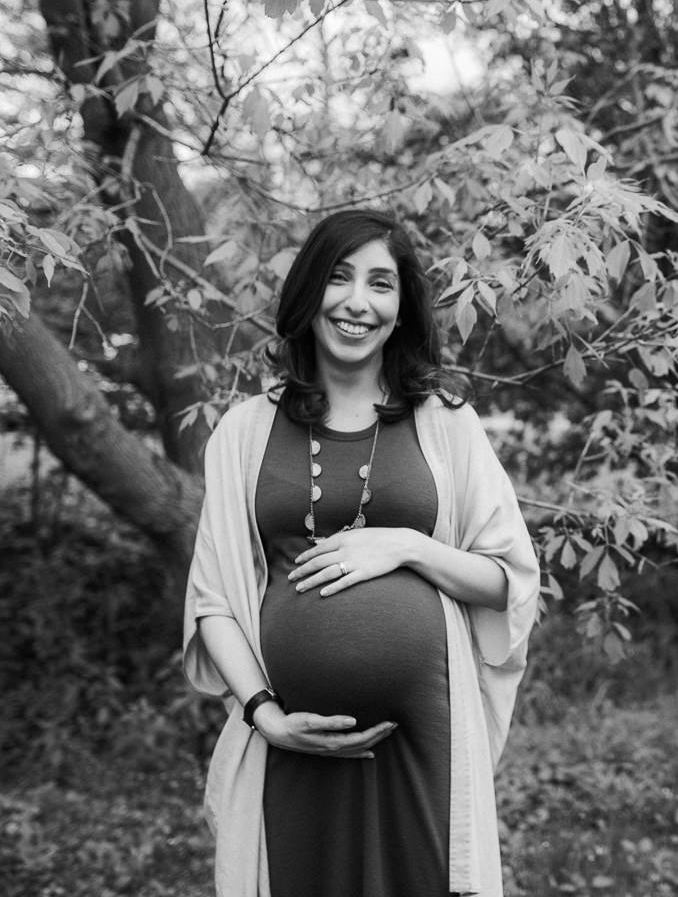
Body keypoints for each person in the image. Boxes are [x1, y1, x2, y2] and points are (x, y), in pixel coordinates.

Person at [181, 209, 539, 897]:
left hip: (424, 739)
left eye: (381, 284)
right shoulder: (244, 432)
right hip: (291, 742)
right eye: (339, 278)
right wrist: (266, 715)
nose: (357, 302)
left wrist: (406, 546)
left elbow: (507, 580)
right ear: (309, 291)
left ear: (401, 309)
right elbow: (214, 599)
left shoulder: (447, 425)